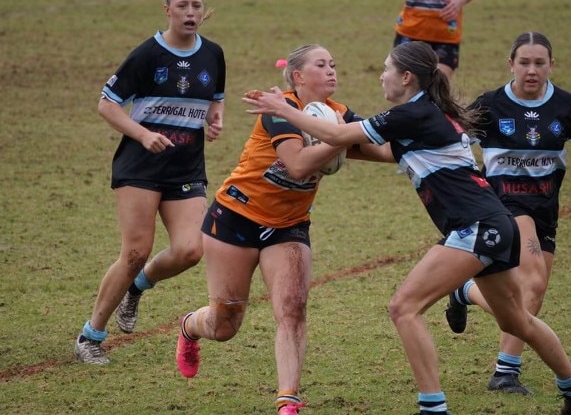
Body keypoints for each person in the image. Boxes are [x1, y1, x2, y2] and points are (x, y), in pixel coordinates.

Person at [242, 40, 571, 415]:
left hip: (476, 226)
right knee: (519, 321)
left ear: (407, 77)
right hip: (496, 224)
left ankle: (433, 407)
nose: (381, 75)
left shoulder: (410, 116)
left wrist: (285, 110)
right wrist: (326, 136)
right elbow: (369, 147)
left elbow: (338, 136)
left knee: (404, 308)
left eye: (386, 69)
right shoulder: (425, 115)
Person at [174, 44, 384, 415]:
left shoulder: (337, 115)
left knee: (293, 309)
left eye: (334, 64)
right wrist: (341, 139)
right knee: (225, 325)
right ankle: (190, 326)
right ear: (299, 76)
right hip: (235, 218)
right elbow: (299, 164)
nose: (333, 70)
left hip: (288, 227)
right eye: (322, 65)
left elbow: (382, 150)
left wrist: (421, 139)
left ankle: (288, 401)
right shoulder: (279, 111)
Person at [74, 0, 225, 364]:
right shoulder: (147, 54)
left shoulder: (213, 54)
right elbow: (106, 104)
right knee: (135, 252)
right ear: (167, 10)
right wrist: (143, 134)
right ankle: (90, 335)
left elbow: (215, 97)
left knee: (192, 249)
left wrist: (216, 117)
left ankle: (139, 287)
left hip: (186, 167)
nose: (190, 12)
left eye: (196, 5)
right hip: (139, 167)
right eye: (182, 6)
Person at [444, 32, 571, 395]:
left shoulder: (563, 105)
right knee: (530, 285)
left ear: (551, 65)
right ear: (510, 64)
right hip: (504, 207)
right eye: (524, 62)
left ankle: (465, 291)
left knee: (532, 293)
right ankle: (505, 374)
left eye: (539, 63)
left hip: (546, 208)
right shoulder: (491, 105)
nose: (532, 70)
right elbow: (452, 140)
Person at [392, 0, 481, 80]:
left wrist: (460, 1)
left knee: (437, 86)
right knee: (403, 85)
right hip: (410, 32)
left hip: (445, 35)